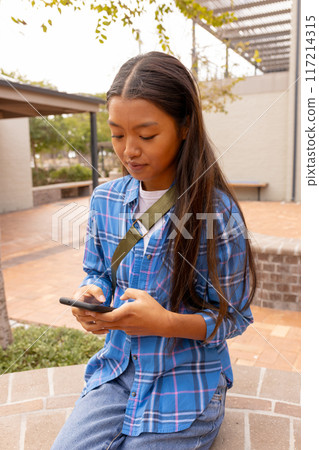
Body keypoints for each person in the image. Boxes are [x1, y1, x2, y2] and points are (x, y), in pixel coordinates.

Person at [52, 51, 256, 450]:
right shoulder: (105, 200)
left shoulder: (217, 212)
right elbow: (99, 273)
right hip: (119, 371)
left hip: (187, 381)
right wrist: (90, 295)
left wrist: (164, 323)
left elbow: (233, 317)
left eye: (146, 135)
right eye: (116, 134)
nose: (129, 150)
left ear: (184, 127)